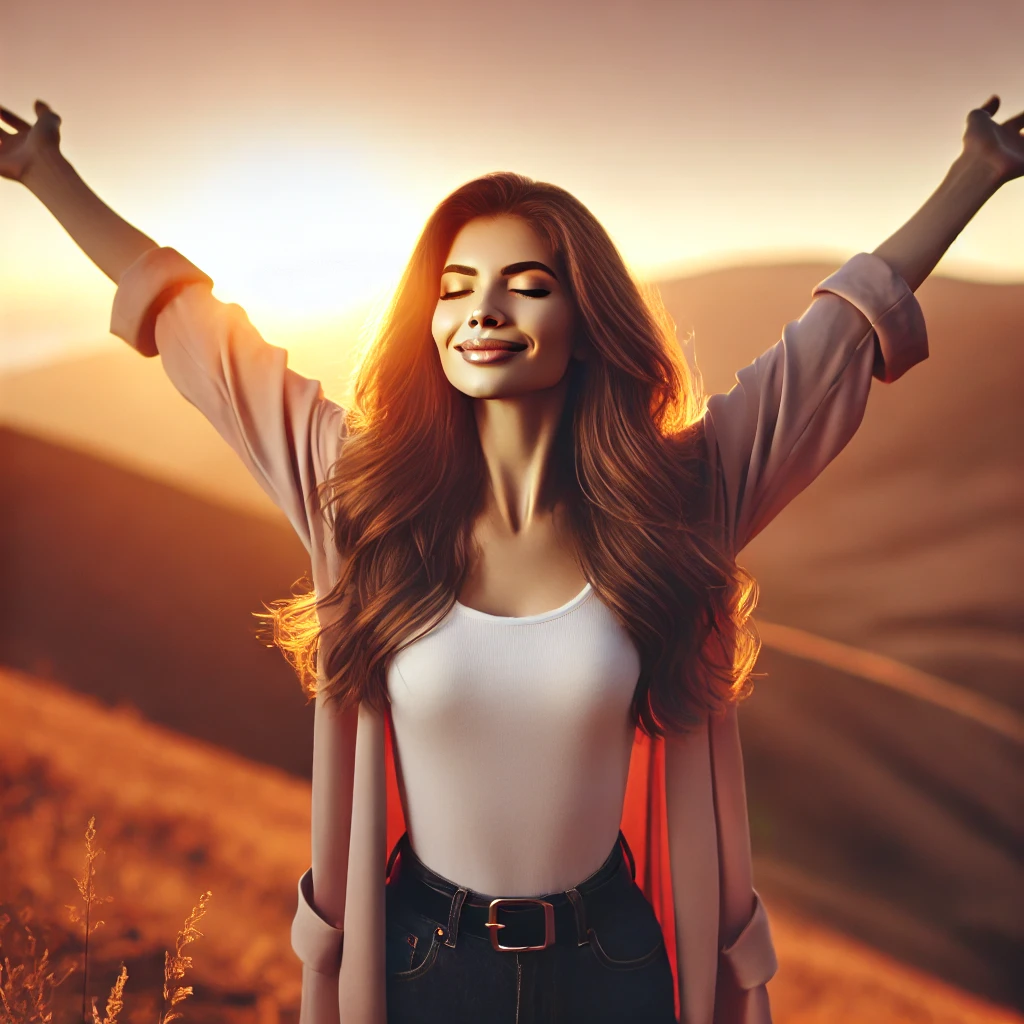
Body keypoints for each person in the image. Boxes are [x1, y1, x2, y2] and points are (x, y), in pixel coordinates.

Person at [2, 95, 1020, 1024]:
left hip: (616, 963)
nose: (482, 311)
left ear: (586, 322)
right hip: (416, 964)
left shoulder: (676, 500)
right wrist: (51, 176)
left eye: (525, 287)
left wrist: (971, 173)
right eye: (457, 288)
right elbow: (199, 336)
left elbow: (830, 348)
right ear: (431, 318)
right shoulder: (358, 498)